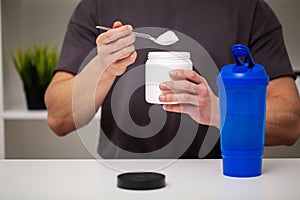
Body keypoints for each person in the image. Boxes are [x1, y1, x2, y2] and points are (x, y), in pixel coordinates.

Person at [45, 0, 300, 158]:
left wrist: (218, 110)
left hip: (220, 180)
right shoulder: (98, 5)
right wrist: (103, 67)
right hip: (121, 182)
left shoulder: (249, 9)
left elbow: (290, 123)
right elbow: (59, 117)